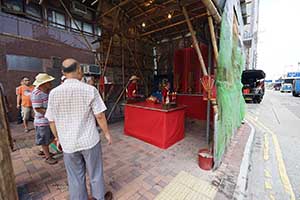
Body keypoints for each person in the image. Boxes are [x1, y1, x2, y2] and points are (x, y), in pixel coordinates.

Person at [45, 58, 113, 200]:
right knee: (95, 173)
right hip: (89, 141)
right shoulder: (90, 90)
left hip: (68, 144)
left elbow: (51, 120)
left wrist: (57, 138)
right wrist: (106, 133)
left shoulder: (54, 93)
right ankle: (99, 198)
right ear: (78, 70)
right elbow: (99, 116)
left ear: (63, 72)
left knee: (75, 178)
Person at [31, 73, 57, 165]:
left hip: (48, 120)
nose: (51, 83)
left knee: (50, 137)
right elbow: (38, 108)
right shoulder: (36, 93)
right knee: (45, 139)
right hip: (42, 121)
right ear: (43, 83)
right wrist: (50, 114)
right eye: (49, 82)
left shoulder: (48, 91)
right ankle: (47, 157)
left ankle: (43, 150)